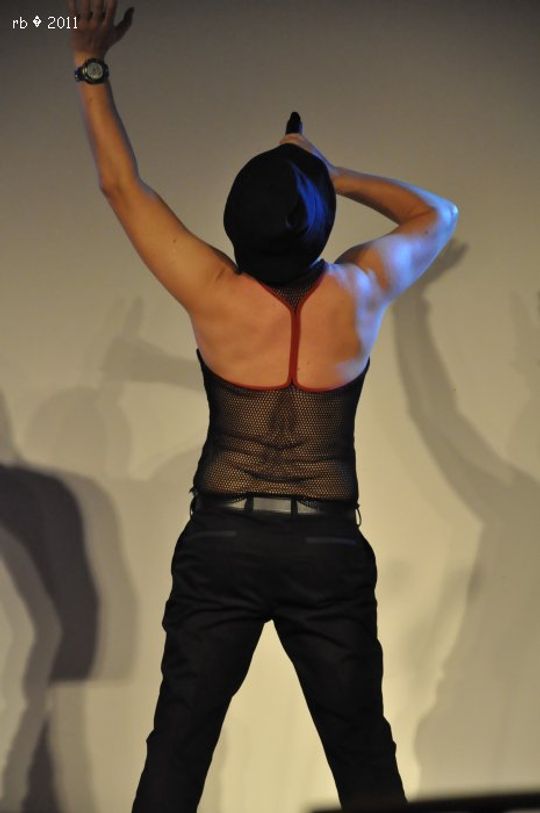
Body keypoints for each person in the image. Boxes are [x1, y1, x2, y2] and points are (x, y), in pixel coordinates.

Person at [67, 5, 458, 807]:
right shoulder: (360, 288)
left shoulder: (212, 289)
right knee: (364, 758)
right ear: (316, 226)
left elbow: (120, 185)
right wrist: (328, 173)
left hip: (224, 544)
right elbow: (437, 214)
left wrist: (89, 63)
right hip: (326, 549)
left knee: (178, 751)